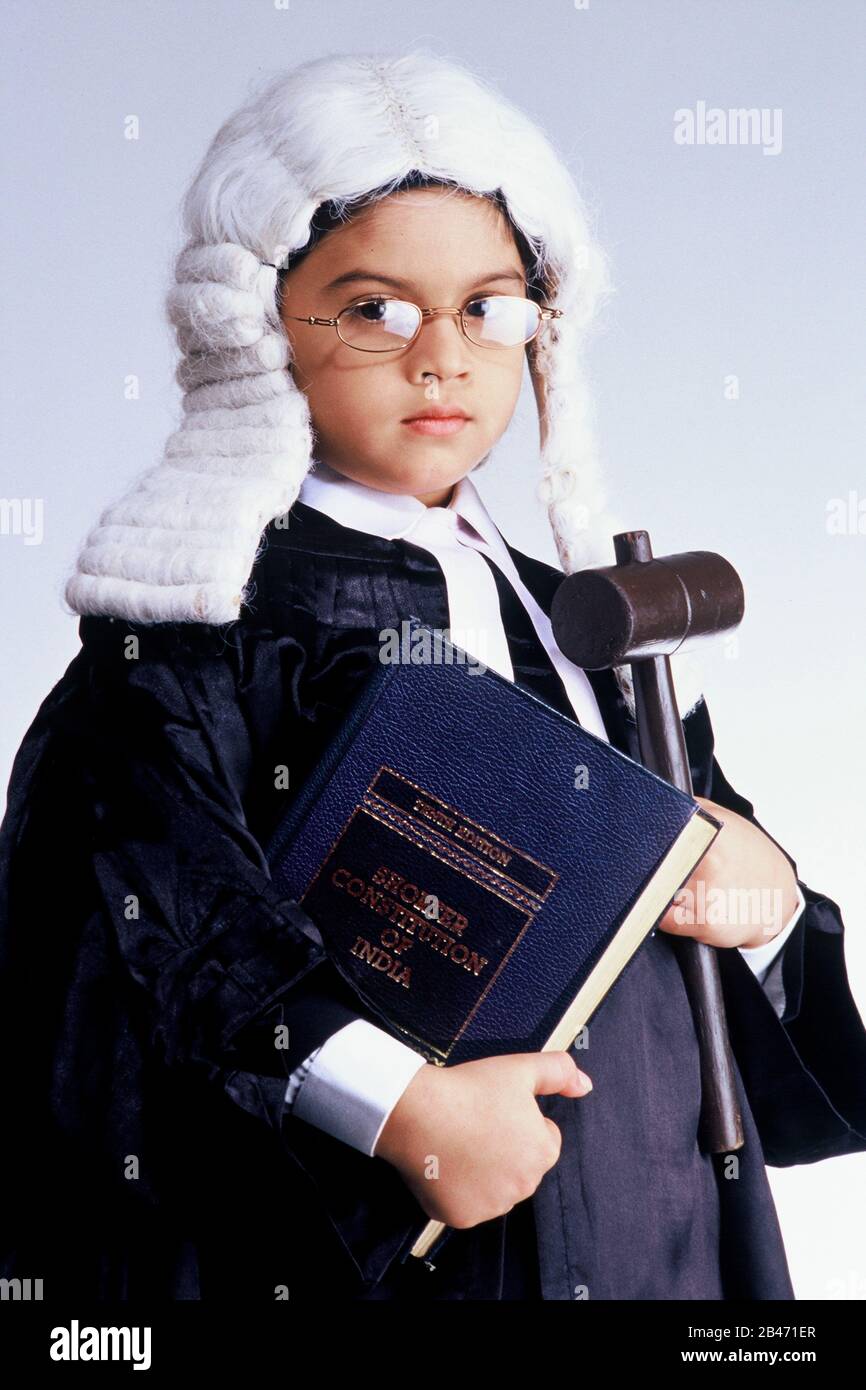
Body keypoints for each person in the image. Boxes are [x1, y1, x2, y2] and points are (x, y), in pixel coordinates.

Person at [1, 50, 864, 1303]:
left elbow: (717, 908)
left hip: (650, 1227)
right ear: (255, 322)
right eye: (374, 308)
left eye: (487, 307)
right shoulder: (195, 635)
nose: (441, 356)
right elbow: (156, 928)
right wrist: (399, 1105)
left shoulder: (579, 624)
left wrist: (762, 890)